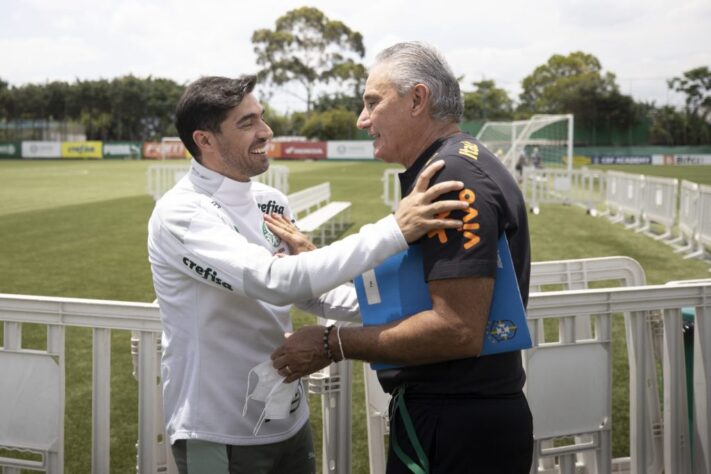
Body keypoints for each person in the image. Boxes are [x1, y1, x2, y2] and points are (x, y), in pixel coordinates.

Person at [146, 75, 467, 474]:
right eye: (247, 123)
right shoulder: (182, 214)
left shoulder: (270, 201)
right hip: (218, 428)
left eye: (261, 117)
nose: (266, 131)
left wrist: (413, 312)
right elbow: (274, 282)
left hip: (287, 416)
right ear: (205, 140)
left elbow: (309, 291)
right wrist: (394, 230)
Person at [270, 42, 534, 473]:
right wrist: (317, 264)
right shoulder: (454, 164)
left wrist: (331, 345)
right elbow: (413, 300)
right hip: (456, 415)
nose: (362, 119)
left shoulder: (451, 175)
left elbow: (456, 329)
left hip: (456, 423)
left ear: (417, 99)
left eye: (373, 102)